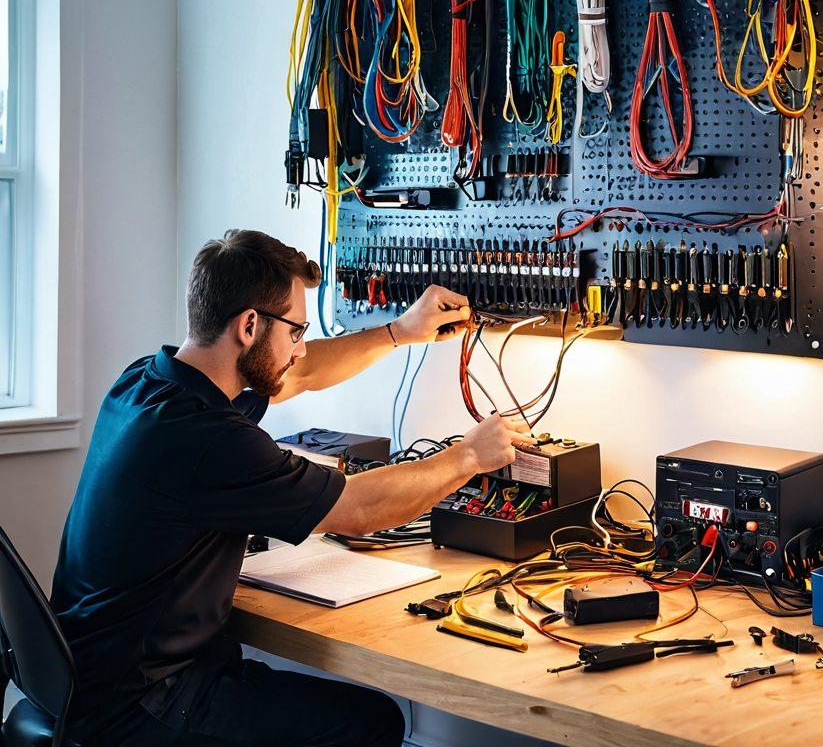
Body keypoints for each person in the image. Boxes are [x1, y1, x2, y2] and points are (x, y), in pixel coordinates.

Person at [50, 229, 532, 746]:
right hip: (144, 704)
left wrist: (398, 331)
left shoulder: (147, 382)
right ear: (249, 325)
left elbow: (297, 375)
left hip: (85, 677)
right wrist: (467, 456)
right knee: (372, 722)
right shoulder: (210, 439)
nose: (300, 350)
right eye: (296, 331)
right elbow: (358, 509)